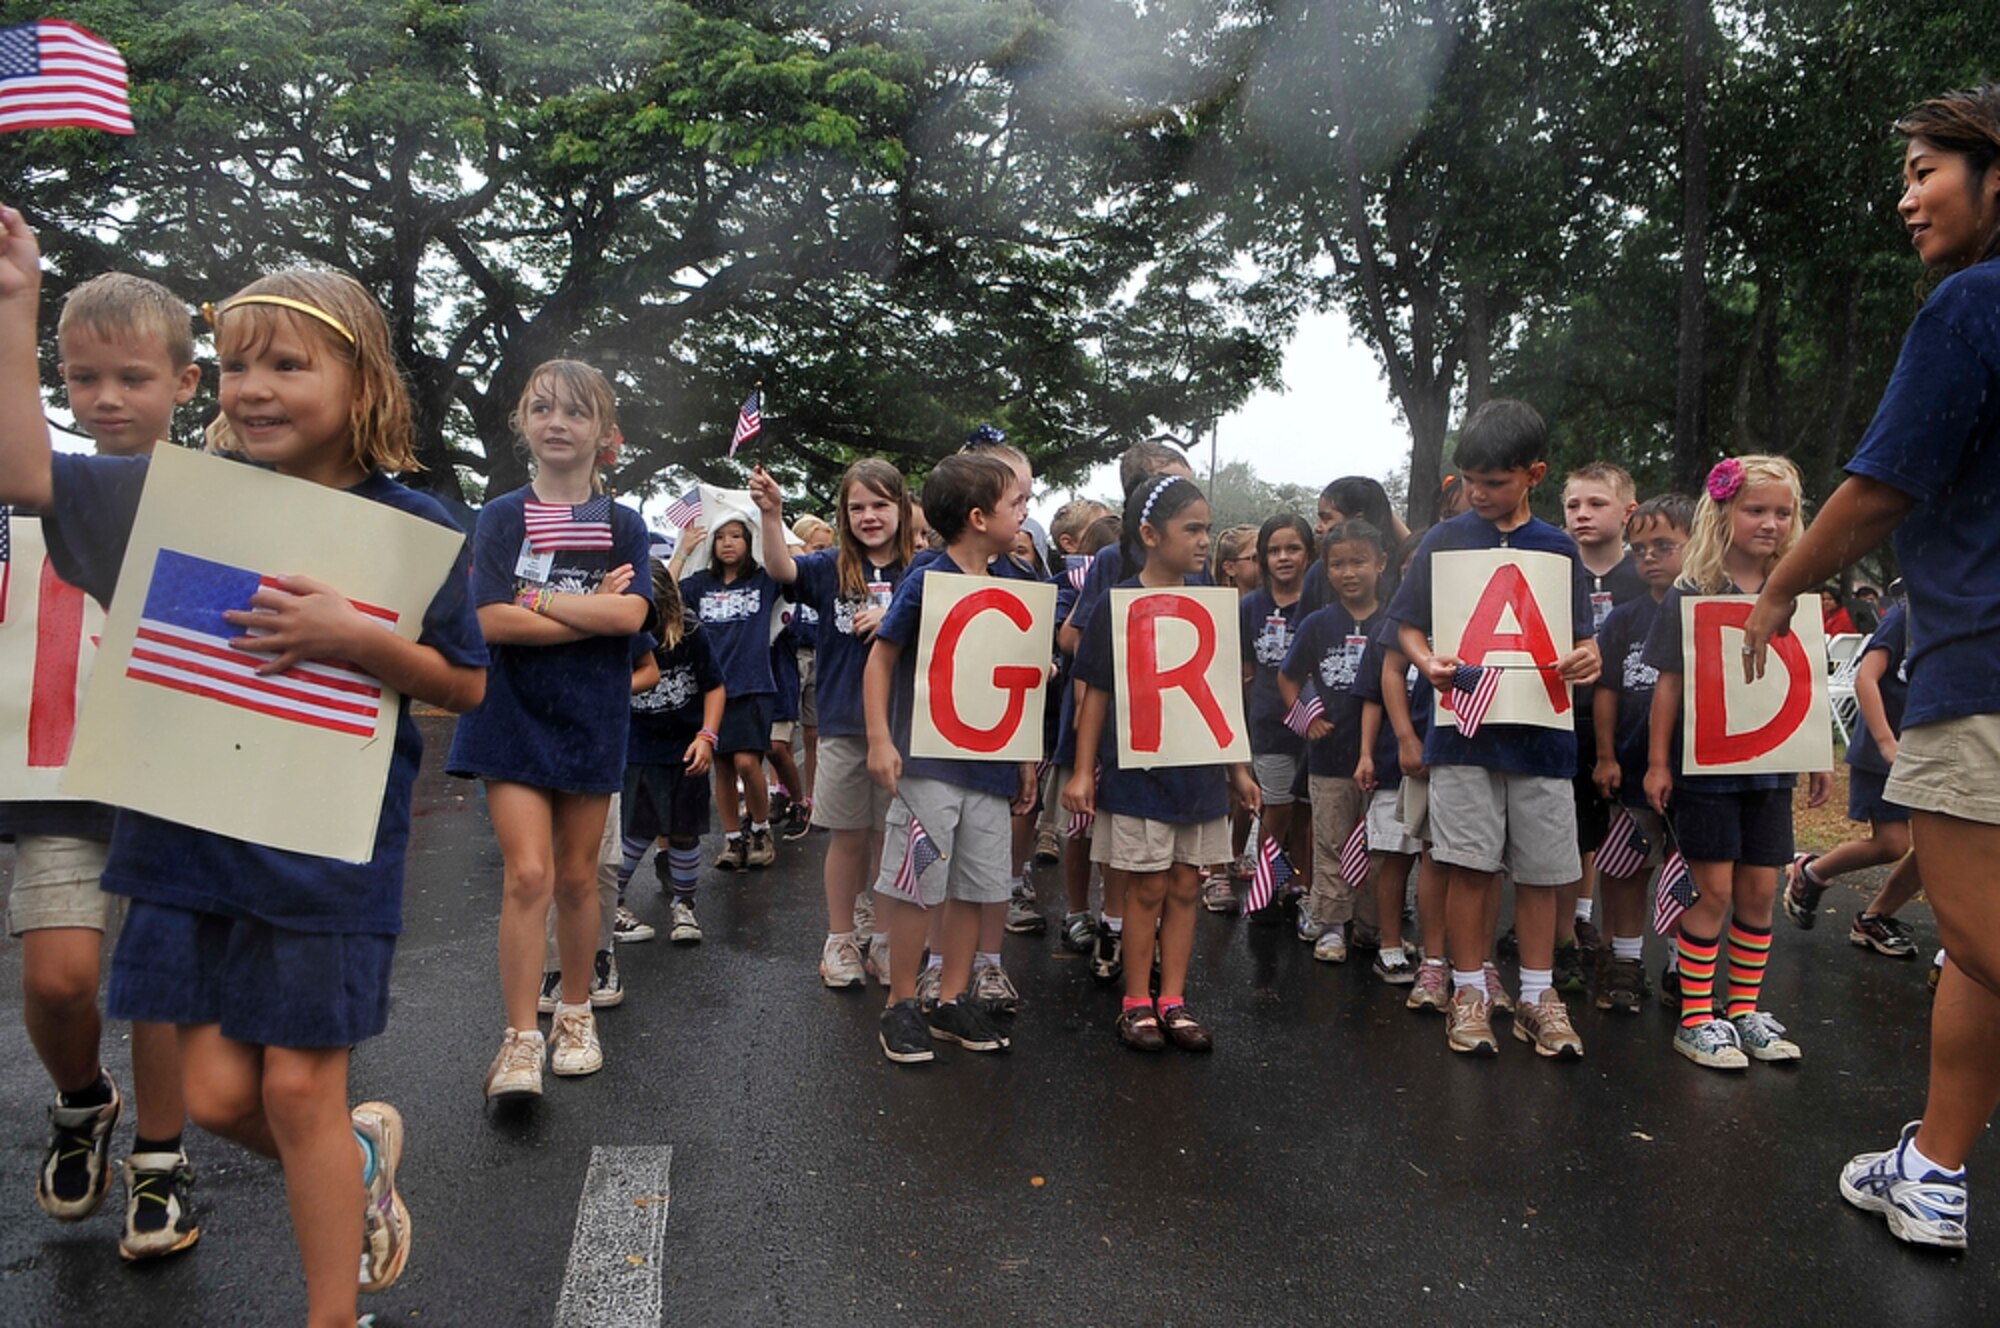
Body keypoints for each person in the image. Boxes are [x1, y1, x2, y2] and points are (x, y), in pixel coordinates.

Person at [0, 225, 490, 1326]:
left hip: (324, 854)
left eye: (286, 363)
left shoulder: (413, 524)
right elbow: (23, 470)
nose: (253, 388)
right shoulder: (174, 493)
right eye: (234, 365)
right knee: (220, 1097)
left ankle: (332, 1311)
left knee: (298, 1086)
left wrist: (354, 636)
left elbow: (464, 685)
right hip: (182, 850)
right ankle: (359, 1159)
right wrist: (15, 303)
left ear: (359, 376)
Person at [1741, 86, 2000, 1250]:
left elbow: (1881, 483)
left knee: (1986, 938)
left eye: (1924, 172)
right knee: (1975, 953)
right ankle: (1932, 1169)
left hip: (1980, 673)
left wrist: (1781, 581)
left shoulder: (1970, 306)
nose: (1905, 198)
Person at [3, 273, 201, 1261]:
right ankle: (84, 1098)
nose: (107, 398)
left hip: (174, 771)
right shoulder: (34, 490)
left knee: (155, 978)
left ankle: (161, 1159)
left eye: (133, 376)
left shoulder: (223, 495)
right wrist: (13, 305)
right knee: (60, 978)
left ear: (185, 382)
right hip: (55, 764)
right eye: (82, 380)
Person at [448, 360, 652, 1100]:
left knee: (576, 876)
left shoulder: (623, 525)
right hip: (510, 715)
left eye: (574, 411)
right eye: (541, 409)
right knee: (527, 874)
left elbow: (630, 619)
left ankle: (575, 1013)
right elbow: (487, 618)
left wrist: (532, 604)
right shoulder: (500, 515)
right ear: (523, 425)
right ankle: (520, 1039)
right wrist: (580, 608)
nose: (556, 422)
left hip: (592, 717)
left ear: (605, 434)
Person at [1390, 399, 1600, 1060]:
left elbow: (1579, 640)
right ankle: (1469, 989)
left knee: (1542, 871)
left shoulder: (1558, 548)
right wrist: (1428, 662)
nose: (1479, 494)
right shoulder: (1443, 540)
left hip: (1541, 736)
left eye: (1495, 482)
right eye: (1470, 480)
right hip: (1463, 735)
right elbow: (1406, 625)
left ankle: (1537, 995)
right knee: (1468, 866)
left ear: (1533, 474)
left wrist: (1587, 657)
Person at [1643, 455, 1832, 1071]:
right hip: (1706, 770)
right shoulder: (1692, 593)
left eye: (1783, 512)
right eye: (1756, 509)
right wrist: (1656, 763)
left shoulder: (1799, 595)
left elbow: (1807, 679)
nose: (1771, 524)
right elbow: (1668, 683)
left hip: (1772, 768)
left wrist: (1819, 754)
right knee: (1713, 889)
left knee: (1758, 887)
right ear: (1723, 513)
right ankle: (1697, 1016)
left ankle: (1744, 1008)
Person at [1065, 474, 1259, 1051]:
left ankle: (1173, 998)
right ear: (1150, 534)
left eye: (1208, 528)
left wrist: (1239, 770)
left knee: (1185, 885)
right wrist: (1081, 770)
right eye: (1192, 529)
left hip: (1198, 772)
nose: (1205, 541)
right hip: (1138, 771)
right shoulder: (1113, 607)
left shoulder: (1217, 608)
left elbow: (1226, 696)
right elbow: (1094, 693)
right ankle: (1134, 1002)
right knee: (1144, 888)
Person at [865, 452, 1033, 1064]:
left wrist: (1024, 760)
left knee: (973, 887)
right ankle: (902, 1002)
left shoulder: (1016, 582)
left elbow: (1015, 684)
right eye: (1016, 503)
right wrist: (882, 739)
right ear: (978, 516)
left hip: (989, 769)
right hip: (930, 766)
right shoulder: (927, 577)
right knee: (918, 885)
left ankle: (950, 996)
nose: (1025, 512)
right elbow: (882, 657)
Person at [758, 459, 915, 989]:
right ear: (844, 515)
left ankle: (887, 938)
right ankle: (840, 939)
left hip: (909, 728)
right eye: (857, 507)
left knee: (893, 841)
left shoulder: (923, 569)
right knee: (849, 836)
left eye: (880, 505)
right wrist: (772, 514)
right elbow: (782, 570)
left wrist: (894, 621)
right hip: (845, 723)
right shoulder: (829, 566)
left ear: (902, 506)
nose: (869, 516)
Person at [1590, 493, 1695, 1013]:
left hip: (1699, 773)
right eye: (1639, 549)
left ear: (1697, 546)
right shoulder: (1624, 620)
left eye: (1663, 545)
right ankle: (1626, 961)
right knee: (1628, 867)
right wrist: (1606, 755)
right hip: (1632, 769)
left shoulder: (1710, 612)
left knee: (1693, 875)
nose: (1649, 557)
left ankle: (1684, 967)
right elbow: (1607, 689)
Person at [1782, 595, 1923, 957]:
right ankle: (1811, 872)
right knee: (1892, 843)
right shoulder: (1906, 616)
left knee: (1936, 848)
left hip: (1929, 748)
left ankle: (1874, 919)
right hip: (1885, 752)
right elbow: (1866, 678)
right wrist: (1886, 742)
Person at [1279, 520, 1390, 965]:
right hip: (1328, 757)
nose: (1349, 572)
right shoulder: (1317, 624)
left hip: (1384, 757)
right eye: (1338, 564)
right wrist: (1307, 719)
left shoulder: (1394, 623)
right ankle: (1330, 923)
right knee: (1331, 841)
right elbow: (1288, 677)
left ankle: (1371, 920)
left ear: (1381, 564)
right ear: (1325, 570)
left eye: (1359, 561)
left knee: (1380, 844)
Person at [1557, 462, 1645, 987]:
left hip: (1632, 724)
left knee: (1626, 840)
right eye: (1573, 505)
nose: (1582, 515)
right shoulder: (1555, 568)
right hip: (1568, 719)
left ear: (1629, 513)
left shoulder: (1648, 575)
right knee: (1571, 834)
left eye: (1597, 504)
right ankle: (1566, 935)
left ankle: (1621, 950)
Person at [624, 563, 725, 946]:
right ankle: (611, 900)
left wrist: (707, 735)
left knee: (684, 828)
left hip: (686, 742)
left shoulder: (690, 631)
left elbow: (714, 686)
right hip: (639, 744)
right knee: (637, 827)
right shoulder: (621, 634)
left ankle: (684, 905)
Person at [678, 509, 784, 871]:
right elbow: (662, 597)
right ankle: (733, 839)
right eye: (721, 536)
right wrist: (682, 550)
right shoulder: (699, 584)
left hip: (753, 686)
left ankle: (759, 829)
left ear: (748, 541)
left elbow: (791, 564)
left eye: (736, 535)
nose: (727, 542)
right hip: (710, 689)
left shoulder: (763, 580)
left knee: (746, 763)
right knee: (721, 767)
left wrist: (772, 521)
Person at [1240, 515, 1317, 927]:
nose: (1283, 557)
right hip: (1269, 723)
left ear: (1308, 554)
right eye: (1274, 550)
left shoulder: (1321, 604)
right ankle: (1269, 878)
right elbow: (1247, 670)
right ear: (1262, 557)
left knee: (1308, 811)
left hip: (1318, 726)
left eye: (1293, 549)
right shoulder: (1250, 606)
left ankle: (1301, 886)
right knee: (1278, 807)